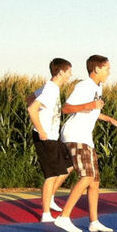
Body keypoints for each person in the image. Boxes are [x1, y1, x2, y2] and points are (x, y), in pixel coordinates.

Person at [53, 55, 117, 232]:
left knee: (94, 182)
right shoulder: (84, 86)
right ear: (97, 69)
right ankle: (64, 217)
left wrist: (109, 119)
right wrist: (91, 104)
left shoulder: (97, 87)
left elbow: (91, 112)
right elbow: (67, 108)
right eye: (107, 68)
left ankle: (94, 221)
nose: (109, 72)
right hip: (75, 135)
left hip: (85, 137)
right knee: (86, 176)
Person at [26, 57, 75, 222]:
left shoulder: (49, 87)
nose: (70, 74)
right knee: (51, 174)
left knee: (69, 165)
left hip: (53, 136)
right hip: (46, 137)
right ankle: (45, 213)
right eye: (69, 71)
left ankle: (51, 197)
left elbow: (29, 98)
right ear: (61, 72)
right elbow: (31, 108)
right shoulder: (51, 89)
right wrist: (41, 130)